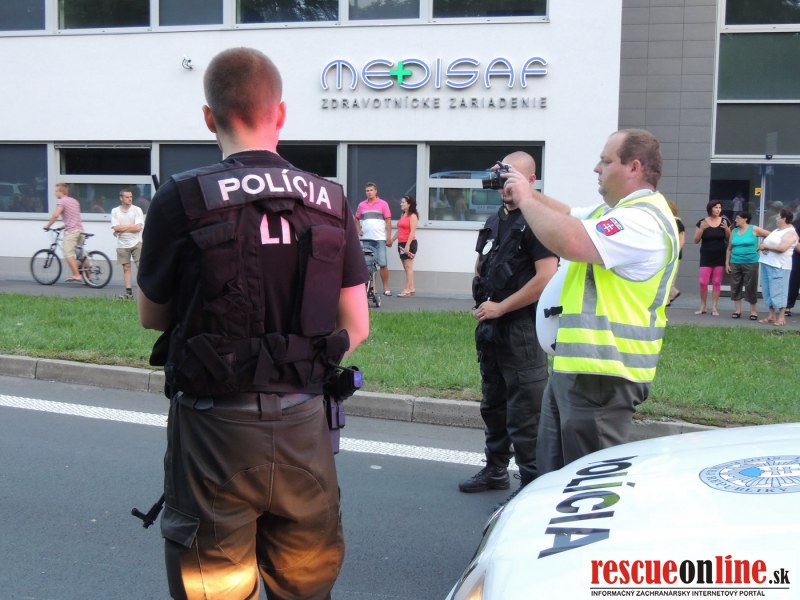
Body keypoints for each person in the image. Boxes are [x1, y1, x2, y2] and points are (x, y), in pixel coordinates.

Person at [136, 47, 370, 600]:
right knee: (305, 588)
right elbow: (356, 324)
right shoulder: (331, 200)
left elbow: (151, 316)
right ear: (280, 113)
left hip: (213, 432)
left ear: (209, 117)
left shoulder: (181, 197)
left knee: (213, 586)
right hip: (305, 430)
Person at [504, 129, 679, 475]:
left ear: (634, 167)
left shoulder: (641, 221)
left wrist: (525, 198)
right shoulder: (617, 212)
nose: (596, 168)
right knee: (555, 477)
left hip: (603, 374)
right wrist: (527, 191)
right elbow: (569, 215)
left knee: (588, 485)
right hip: (581, 369)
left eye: (606, 161)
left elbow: (571, 240)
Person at [459, 151, 557, 498]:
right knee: (494, 405)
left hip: (521, 330)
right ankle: (495, 470)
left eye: (511, 176)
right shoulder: (496, 219)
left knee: (525, 414)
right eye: (501, 177)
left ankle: (531, 486)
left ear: (530, 181)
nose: (504, 184)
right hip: (491, 330)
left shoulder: (539, 220)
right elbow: (481, 264)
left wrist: (501, 307)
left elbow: (546, 277)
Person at [757, 208, 799, 327]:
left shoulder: (791, 233)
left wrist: (767, 247)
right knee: (768, 291)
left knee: (779, 291)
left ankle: (781, 317)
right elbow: (766, 243)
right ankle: (771, 315)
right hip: (767, 263)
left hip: (779, 266)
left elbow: (782, 248)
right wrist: (763, 246)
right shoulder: (776, 231)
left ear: (784, 219)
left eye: (778, 217)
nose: (776, 218)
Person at [725, 211, 769, 320]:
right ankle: (738, 310)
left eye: (738, 218)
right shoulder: (734, 231)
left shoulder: (754, 229)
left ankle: (753, 311)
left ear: (745, 219)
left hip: (750, 262)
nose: (735, 220)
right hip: (735, 262)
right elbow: (729, 248)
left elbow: (770, 235)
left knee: (751, 286)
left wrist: (763, 244)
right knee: (735, 286)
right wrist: (727, 263)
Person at [693, 199, 731, 316]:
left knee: (716, 282)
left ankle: (714, 307)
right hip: (706, 256)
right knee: (703, 282)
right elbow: (695, 240)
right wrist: (702, 229)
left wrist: (727, 230)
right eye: (716, 207)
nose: (718, 210)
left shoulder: (724, 221)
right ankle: (703, 306)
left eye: (719, 207)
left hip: (719, 256)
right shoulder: (702, 222)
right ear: (710, 209)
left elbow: (729, 240)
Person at [355, 182, 393, 295]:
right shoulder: (362, 205)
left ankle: (386, 288)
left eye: (371, 190)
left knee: (383, 264)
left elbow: (388, 221)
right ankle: (371, 288)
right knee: (368, 265)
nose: (369, 192)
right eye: (367, 191)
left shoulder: (383, 204)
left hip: (379, 239)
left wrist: (389, 237)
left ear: (376, 191)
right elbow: (356, 219)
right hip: (366, 239)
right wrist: (358, 230)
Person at [43, 183, 84, 282]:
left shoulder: (61, 201)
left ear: (61, 191)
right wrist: (63, 226)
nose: (55, 193)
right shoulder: (74, 201)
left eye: (56, 191)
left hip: (72, 232)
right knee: (81, 256)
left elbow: (55, 215)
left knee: (68, 254)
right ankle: (89, 278)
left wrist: (48, 226)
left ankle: (76, 275)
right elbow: (74, 218)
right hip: (80, 231)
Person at [110, 187, 144, 300]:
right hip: (122, 244)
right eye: (127, 197)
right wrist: (129, 227)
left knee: (141, 267)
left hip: (136, 242)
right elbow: (116, 227)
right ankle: (128, 294)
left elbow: (137, 228)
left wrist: (121, 229)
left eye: (131, 197)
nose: (130, 199)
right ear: (121, 198)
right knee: (126, 268)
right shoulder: (115, 211)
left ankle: (145, 293)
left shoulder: (137, 210)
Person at [391, 194, 419, 297]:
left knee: (408, 266)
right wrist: (392, 240)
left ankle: (407, 289)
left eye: (403, 202)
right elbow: (400, 230)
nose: (401, 204)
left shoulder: (413, 216)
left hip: (409, 243)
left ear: (409, 204)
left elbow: (412, 232)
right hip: (401, 243)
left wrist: (407, 245)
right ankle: (411, 288)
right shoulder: (403, 215)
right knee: (406, 266)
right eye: (401, 202)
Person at [666, 200, 684, 306]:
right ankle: (673, 293)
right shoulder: (666, 221)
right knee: (667, 277)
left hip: (673, 254)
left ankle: (669, 297)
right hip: (666, 253)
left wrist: (676, 252)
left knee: (670, 277)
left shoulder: (677, 223)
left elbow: (682, 240)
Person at [785, 210, 800, 317]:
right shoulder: (797, 224)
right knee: (794, 282)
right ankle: (788, 306)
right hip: (797, 257)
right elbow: (795, 242)